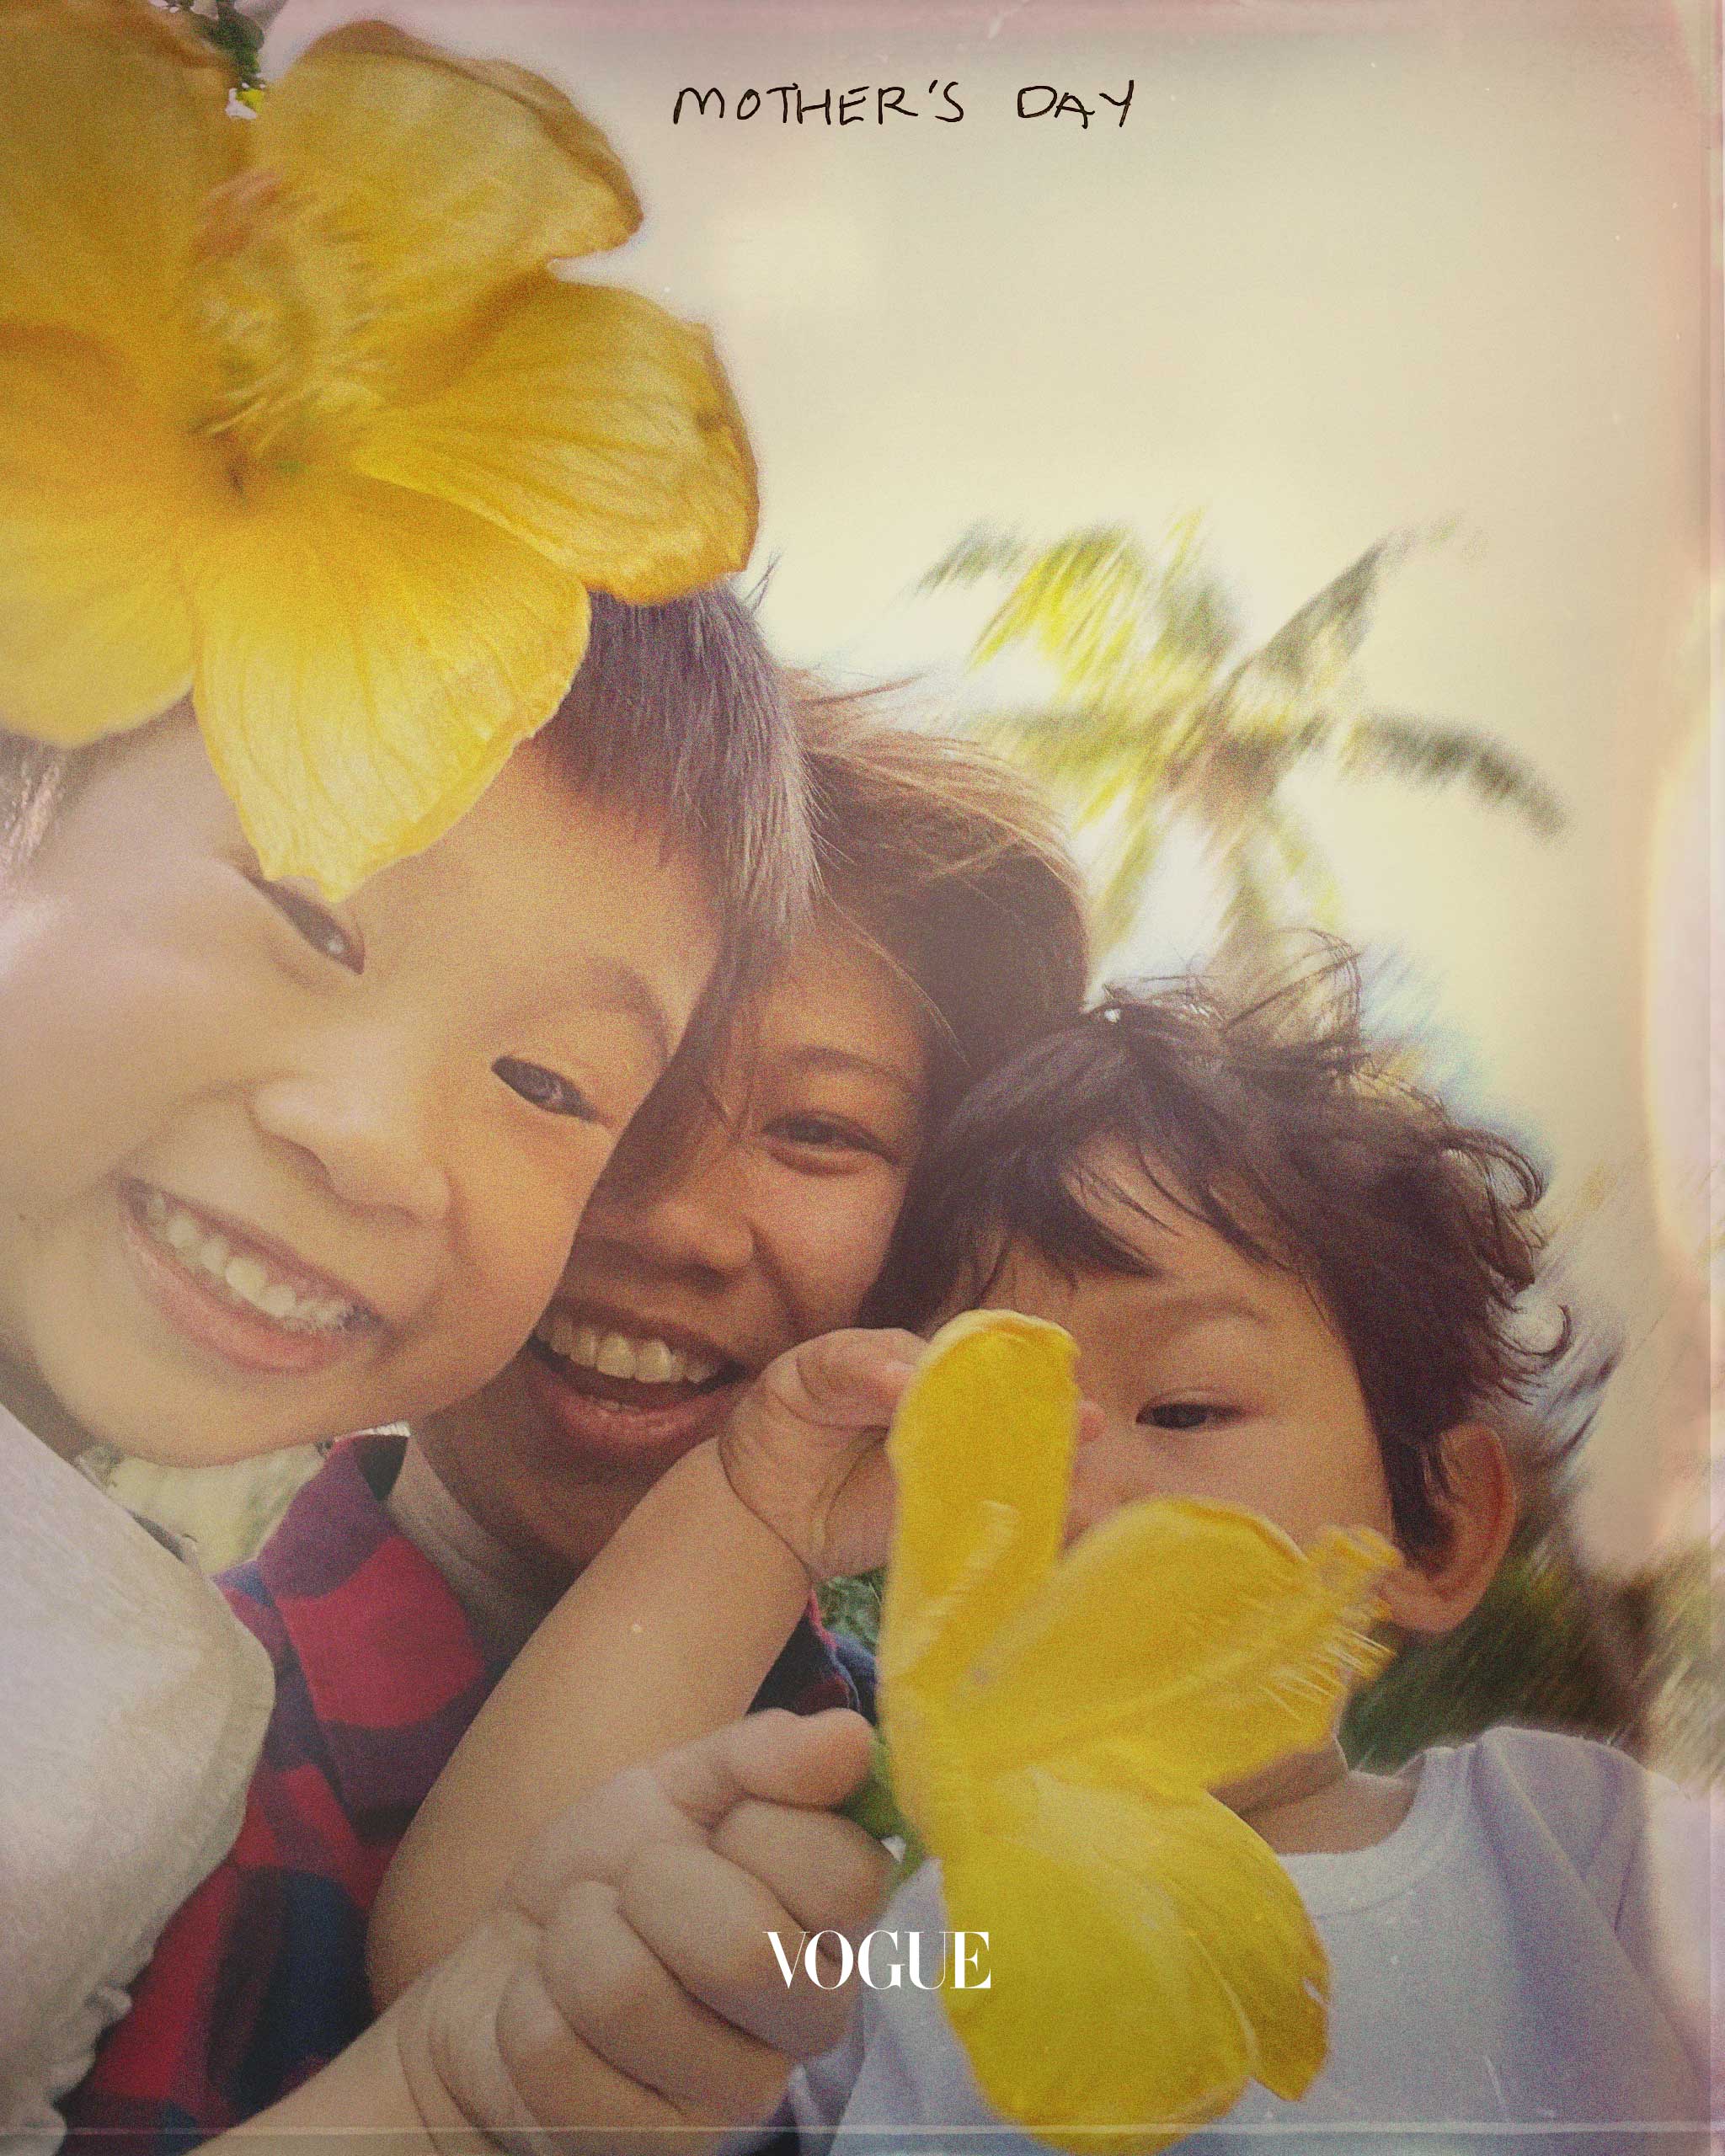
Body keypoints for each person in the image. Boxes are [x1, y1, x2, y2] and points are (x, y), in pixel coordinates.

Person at [66, 691, 1090, 2144]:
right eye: (573, 1090)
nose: (676, 1223)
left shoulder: (969, 1803)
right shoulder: (109, 1755)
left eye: (817, 1131)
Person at [783, 965, 1713, 2146]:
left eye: (1183, 1409)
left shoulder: (1584, 1849)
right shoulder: (882, 1946)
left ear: (1437, 1532)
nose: (1072, 1498)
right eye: (988, 1440)